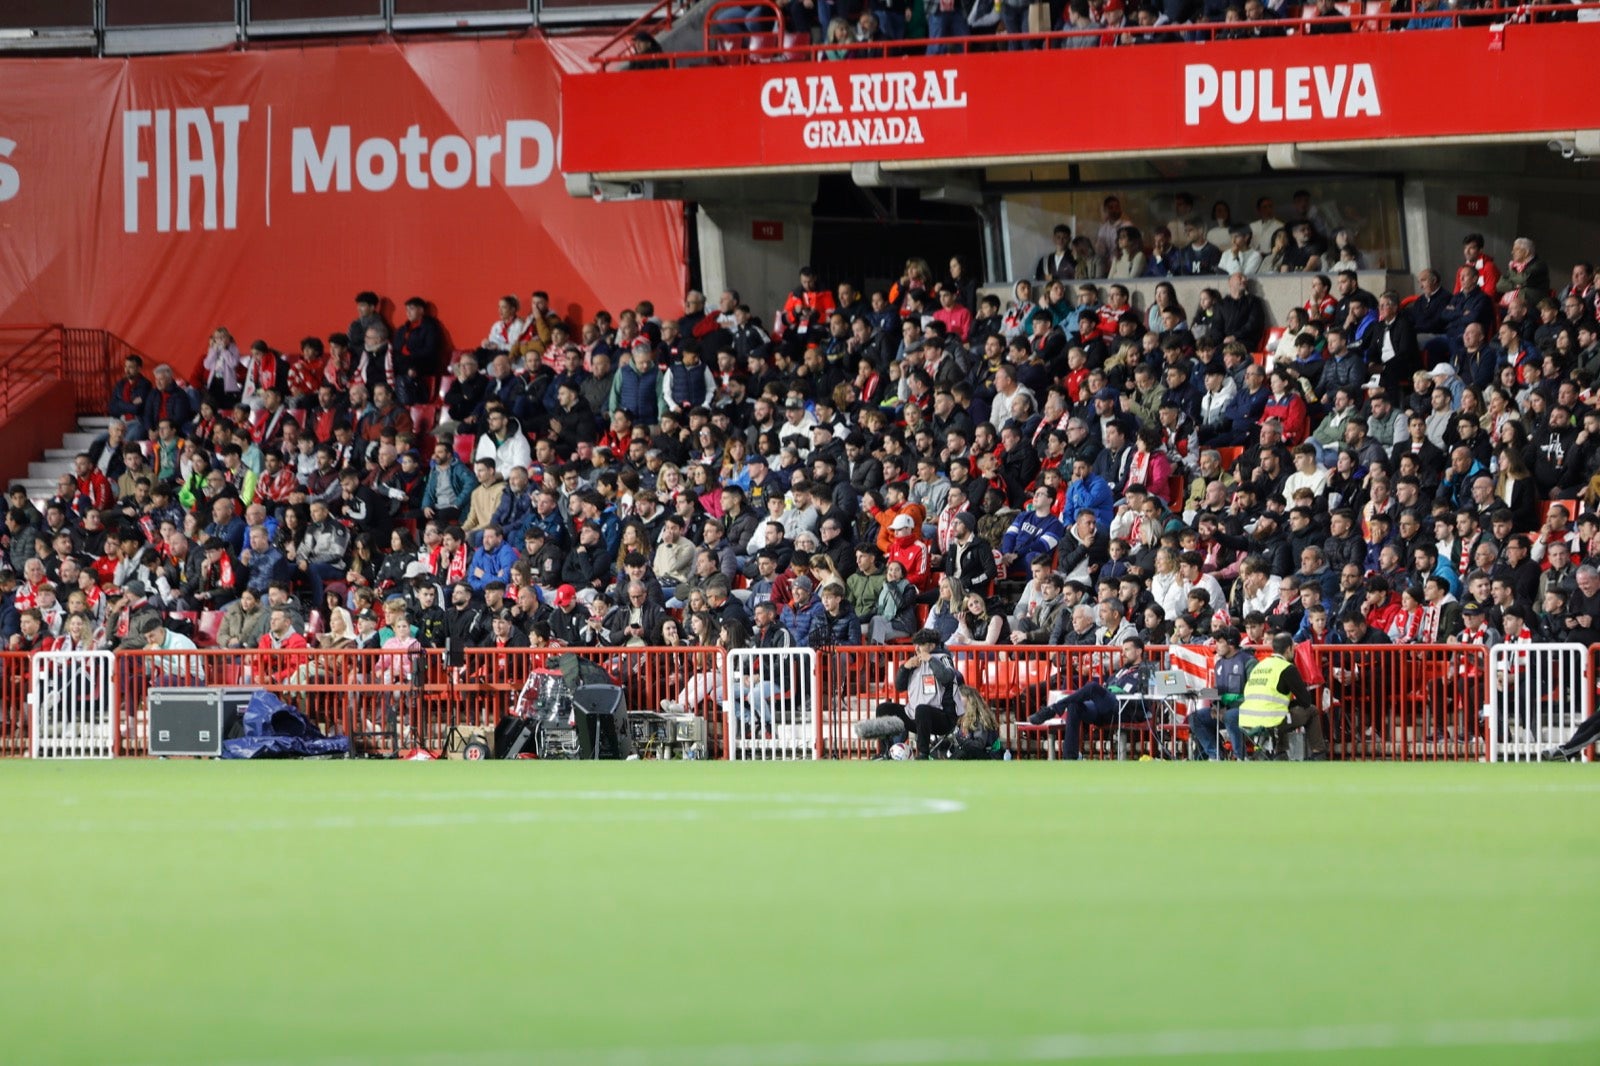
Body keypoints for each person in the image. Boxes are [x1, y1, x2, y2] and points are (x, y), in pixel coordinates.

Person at [1025, 636, 1151, 760]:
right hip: (1106, 708)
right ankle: (1069, 758)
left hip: (1125, 710)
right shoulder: (1120, 671)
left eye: (1127, 650)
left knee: (1092, 687)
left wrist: (1118, 692)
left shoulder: (1146, 670)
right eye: (1122, 650)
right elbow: (1107, 686)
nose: (1122, 654)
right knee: (1074, 705)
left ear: (1139, 651)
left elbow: (1144, 699)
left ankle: (1053, 709)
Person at [871, 628, 959, 759]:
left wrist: (930, 659)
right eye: (915, 644)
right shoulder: (913, 661)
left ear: (931, 646)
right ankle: (885, 752)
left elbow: (946, 677)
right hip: (914, 715)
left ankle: (923, 754)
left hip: (941, 718)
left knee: (922, 709)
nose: (917, 648)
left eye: (921, 644)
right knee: (884, 709)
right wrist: (905, 668)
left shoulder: (943, 658)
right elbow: (899, 687)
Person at [1237, 632, 1326, 759]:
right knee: (1312, 711)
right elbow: (1305, 701)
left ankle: (1281, 754)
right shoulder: (1286, 668)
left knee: (1281, 712)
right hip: (1269, 720)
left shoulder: (1260, 665)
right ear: (1289, 649)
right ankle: (1318, 753)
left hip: (1247, 720)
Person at [1187, 626, 1255, 760]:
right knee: (1195, 718)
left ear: (1231, 643)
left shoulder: (1249, 661)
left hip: (1246, 710)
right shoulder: (1219, 664)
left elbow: (1253, 695)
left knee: (1230, 716)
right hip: (1224, 711)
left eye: (1219, 642)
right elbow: (1219, 691)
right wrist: (1215, 706)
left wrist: (1227, 708)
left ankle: (1240, 757)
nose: (1216, 646)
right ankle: (1216, 755)